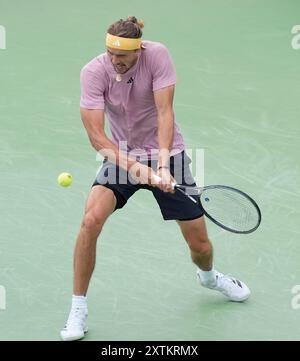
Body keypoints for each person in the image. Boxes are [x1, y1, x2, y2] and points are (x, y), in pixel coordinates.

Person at [60, 16, 250, 341]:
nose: (114, 61)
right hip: (120, 155)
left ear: (139, 50)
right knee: (90, 221)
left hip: (168, 154)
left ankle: (209, 277)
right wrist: (139, 169)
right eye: (109, 53)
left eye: (121, 56)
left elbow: (165, 112)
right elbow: (97, 139)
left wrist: (161, 166)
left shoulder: (157, 55)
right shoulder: (93, 72)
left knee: (200, 244)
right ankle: (78, 307)